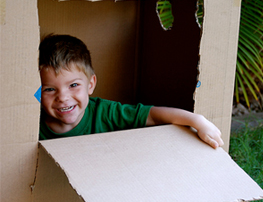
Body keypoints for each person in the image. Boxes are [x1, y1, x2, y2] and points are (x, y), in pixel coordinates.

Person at [39, 34, 224, 149]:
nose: (62, 97)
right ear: (36, 92)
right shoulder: (33, 125)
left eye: (73, 85)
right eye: (49, 89)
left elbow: (153, 115)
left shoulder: (105, 113)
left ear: (90, 84)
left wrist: (198, 121)